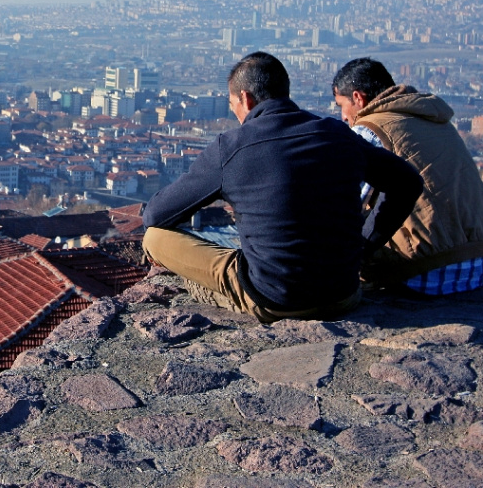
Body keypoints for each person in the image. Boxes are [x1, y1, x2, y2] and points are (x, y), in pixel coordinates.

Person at [143, 52, 423, 323]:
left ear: (245, 98)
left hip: (274, 300)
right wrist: (365, 243)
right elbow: (408, 182)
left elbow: (155, 216)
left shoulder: (231, 147)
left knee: (154, 239)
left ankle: (214, 290)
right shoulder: (337, 134)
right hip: (344, 293)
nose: (237, 115)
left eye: (233, 106)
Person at [332, 57, 483, 294]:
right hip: (477, 265)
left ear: (358, 98)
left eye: (341, 105)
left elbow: (343, 207)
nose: (343, 117)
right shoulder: (434, 119)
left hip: (421, 273)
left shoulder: (370, 129)